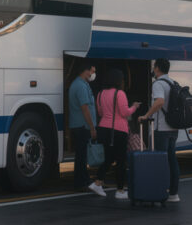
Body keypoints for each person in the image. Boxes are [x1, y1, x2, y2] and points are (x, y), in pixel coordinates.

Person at [91, 68, 139, 200]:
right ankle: (120, 190)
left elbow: (100, 112)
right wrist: (134, 107)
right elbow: (125, 113)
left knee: (109, 158)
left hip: (103, 129)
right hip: (118, 130)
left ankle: (97, 182)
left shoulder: (100, 94)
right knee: (121, 161)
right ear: (118, 80)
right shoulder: (120, 93)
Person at [138, 58, 180, 202]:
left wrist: (146, 115)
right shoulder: (173, 83)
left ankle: (160, 192)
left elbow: (159, 101)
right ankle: (174, 193)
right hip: (173, 127)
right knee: (172, 160)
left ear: (156, 68)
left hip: (161, 128)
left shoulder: (158, 84)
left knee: (161, 161)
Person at [68, 62, 100, 194]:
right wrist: (92, 127)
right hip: (82, 126)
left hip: (80, 125)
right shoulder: (80, 86)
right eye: (92, 71)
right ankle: (81, 182)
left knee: (82, 155)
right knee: (81, 156)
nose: (93, 74)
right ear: (85, 71)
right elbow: (85, 108)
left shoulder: (82, 84)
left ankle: (83, 180)